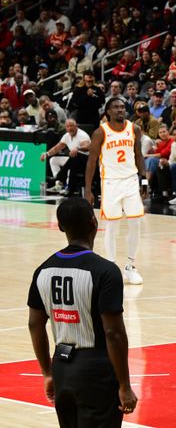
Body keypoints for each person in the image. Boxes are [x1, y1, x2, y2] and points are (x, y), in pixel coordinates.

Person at [27, 197, 137, 427]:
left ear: (60, 226)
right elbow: (113, 333)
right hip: (96, 371)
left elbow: (34, 325)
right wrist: (125, 385)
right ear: (93, 223)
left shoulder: (43, 270)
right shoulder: (105, 271)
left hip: (61, 367)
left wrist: (48, 372)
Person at [85, 98, 145, 285]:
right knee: (112, 226)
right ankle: (111, 266)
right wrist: (88, 190)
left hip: (131, 181)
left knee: (135, 223)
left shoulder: (133, 129)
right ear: (108, 112)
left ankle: (130, 265)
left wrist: (144, 180)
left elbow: (138, 155)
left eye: (122, 107)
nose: (120, 110)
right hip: (110, 183)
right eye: (116, 107)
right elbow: (92, 161)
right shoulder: (100, 132)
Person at [41, 119, 91, 196]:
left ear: (76, 126)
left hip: (85, 160)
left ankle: (63, 181)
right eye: (68, 126)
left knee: (74, 158)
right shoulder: (67, 136)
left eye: (72, 126)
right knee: (53, 160)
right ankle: (59, 184)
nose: (70, 128)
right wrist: (47, 154)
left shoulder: (82, 135)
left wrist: (78, 148)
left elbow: (87, 146)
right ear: (65, 128)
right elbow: (57, 148)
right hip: (73, 159)